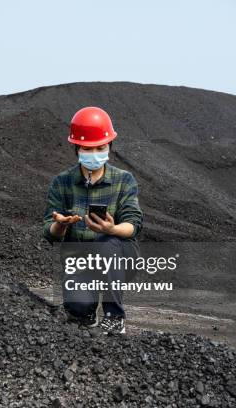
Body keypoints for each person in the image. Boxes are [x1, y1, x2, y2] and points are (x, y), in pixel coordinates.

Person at [42, 106, 143, 334]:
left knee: (105, 242)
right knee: (78, 309)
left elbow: (133, 223)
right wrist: (60, 224)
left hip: (118, 256)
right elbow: (49, 231)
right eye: (88, 148)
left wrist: (113, 228)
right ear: (77, 148)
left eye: (101, 147)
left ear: (109, 146)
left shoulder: (123, 180)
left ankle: (113, 317)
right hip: (80, 259)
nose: (95, 153)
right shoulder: (62, 183)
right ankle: (87, 312)